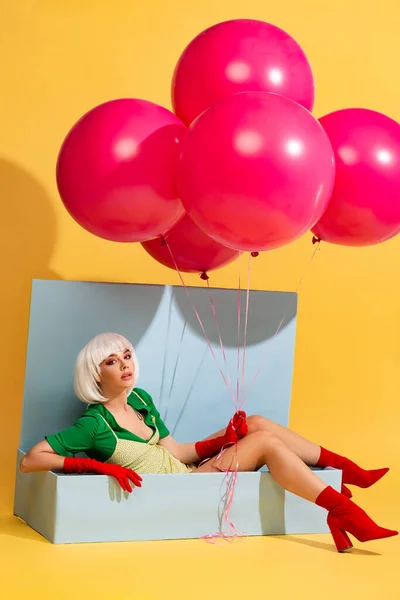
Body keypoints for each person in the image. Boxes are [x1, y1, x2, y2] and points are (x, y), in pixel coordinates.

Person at [21, 332, 398, 552]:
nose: (124, 365)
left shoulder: (141, 400)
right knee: (265, 441)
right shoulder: (93, 423)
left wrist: (224, 439)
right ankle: (343, 511)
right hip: (181, 491)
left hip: (189, 474)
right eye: (111, 362)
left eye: (127, 355)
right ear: (94, 373)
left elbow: (178, 453)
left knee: (256, 423)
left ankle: (347, 472)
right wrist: (96, 466)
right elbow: (32, 459)